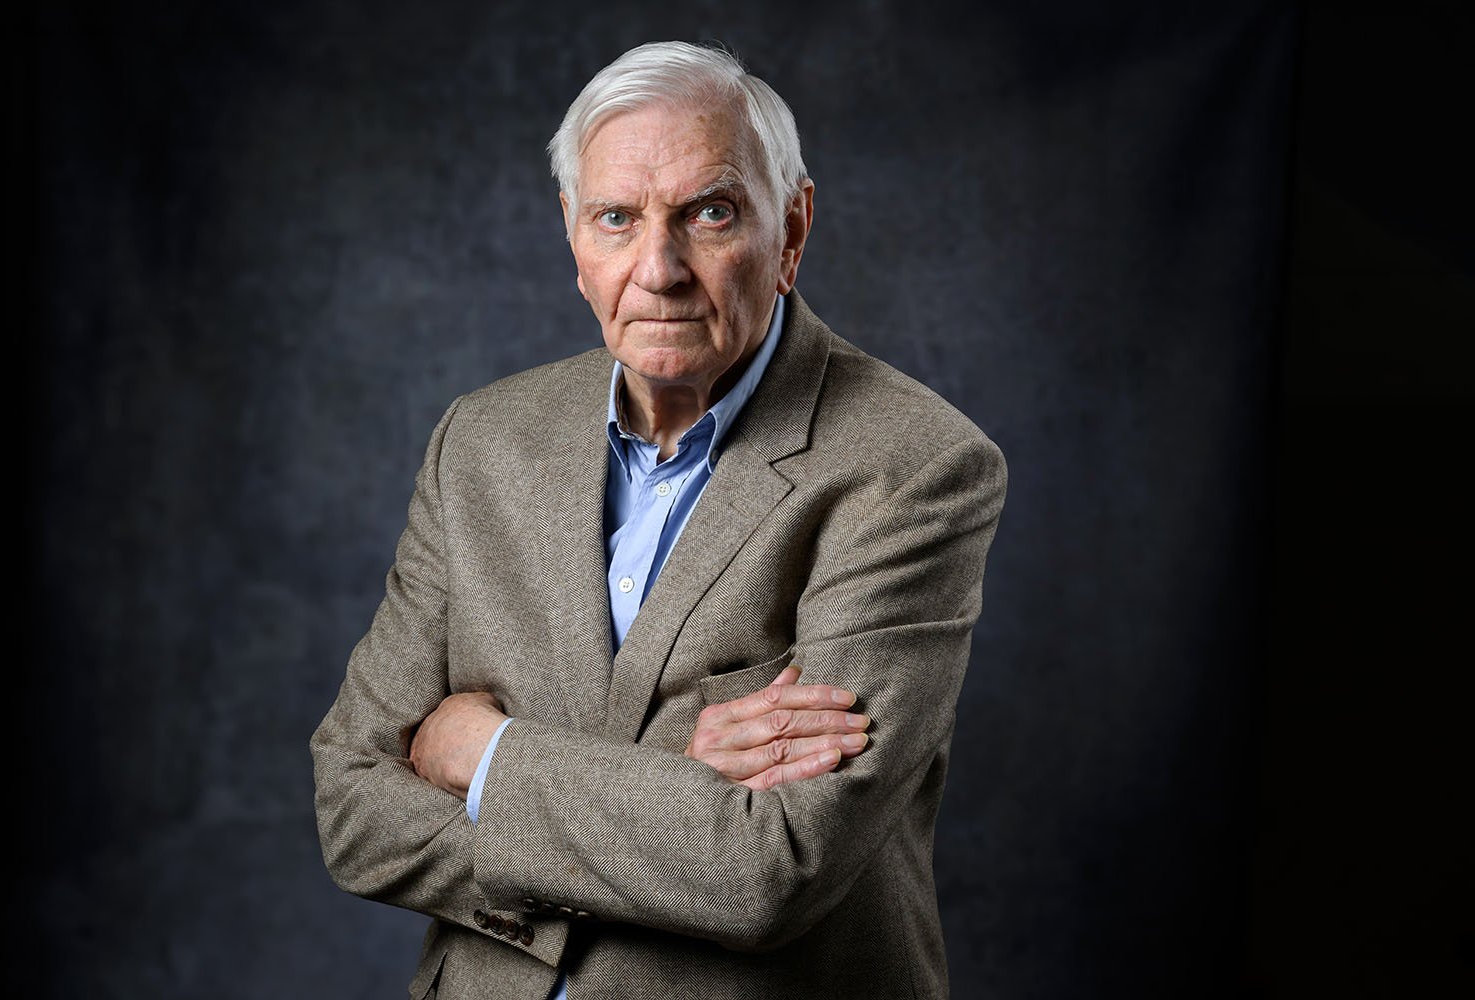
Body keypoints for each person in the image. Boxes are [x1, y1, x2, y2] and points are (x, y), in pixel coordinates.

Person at [311, 40, 1006, 1000]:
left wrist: (487, 756)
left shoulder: (914, 467)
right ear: (573, 238)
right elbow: (354, 806)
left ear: (791, 230)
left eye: (709, 213)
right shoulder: (481, 442)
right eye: (617, 219)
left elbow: (774, 866)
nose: (659, 269)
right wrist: (676, 785)